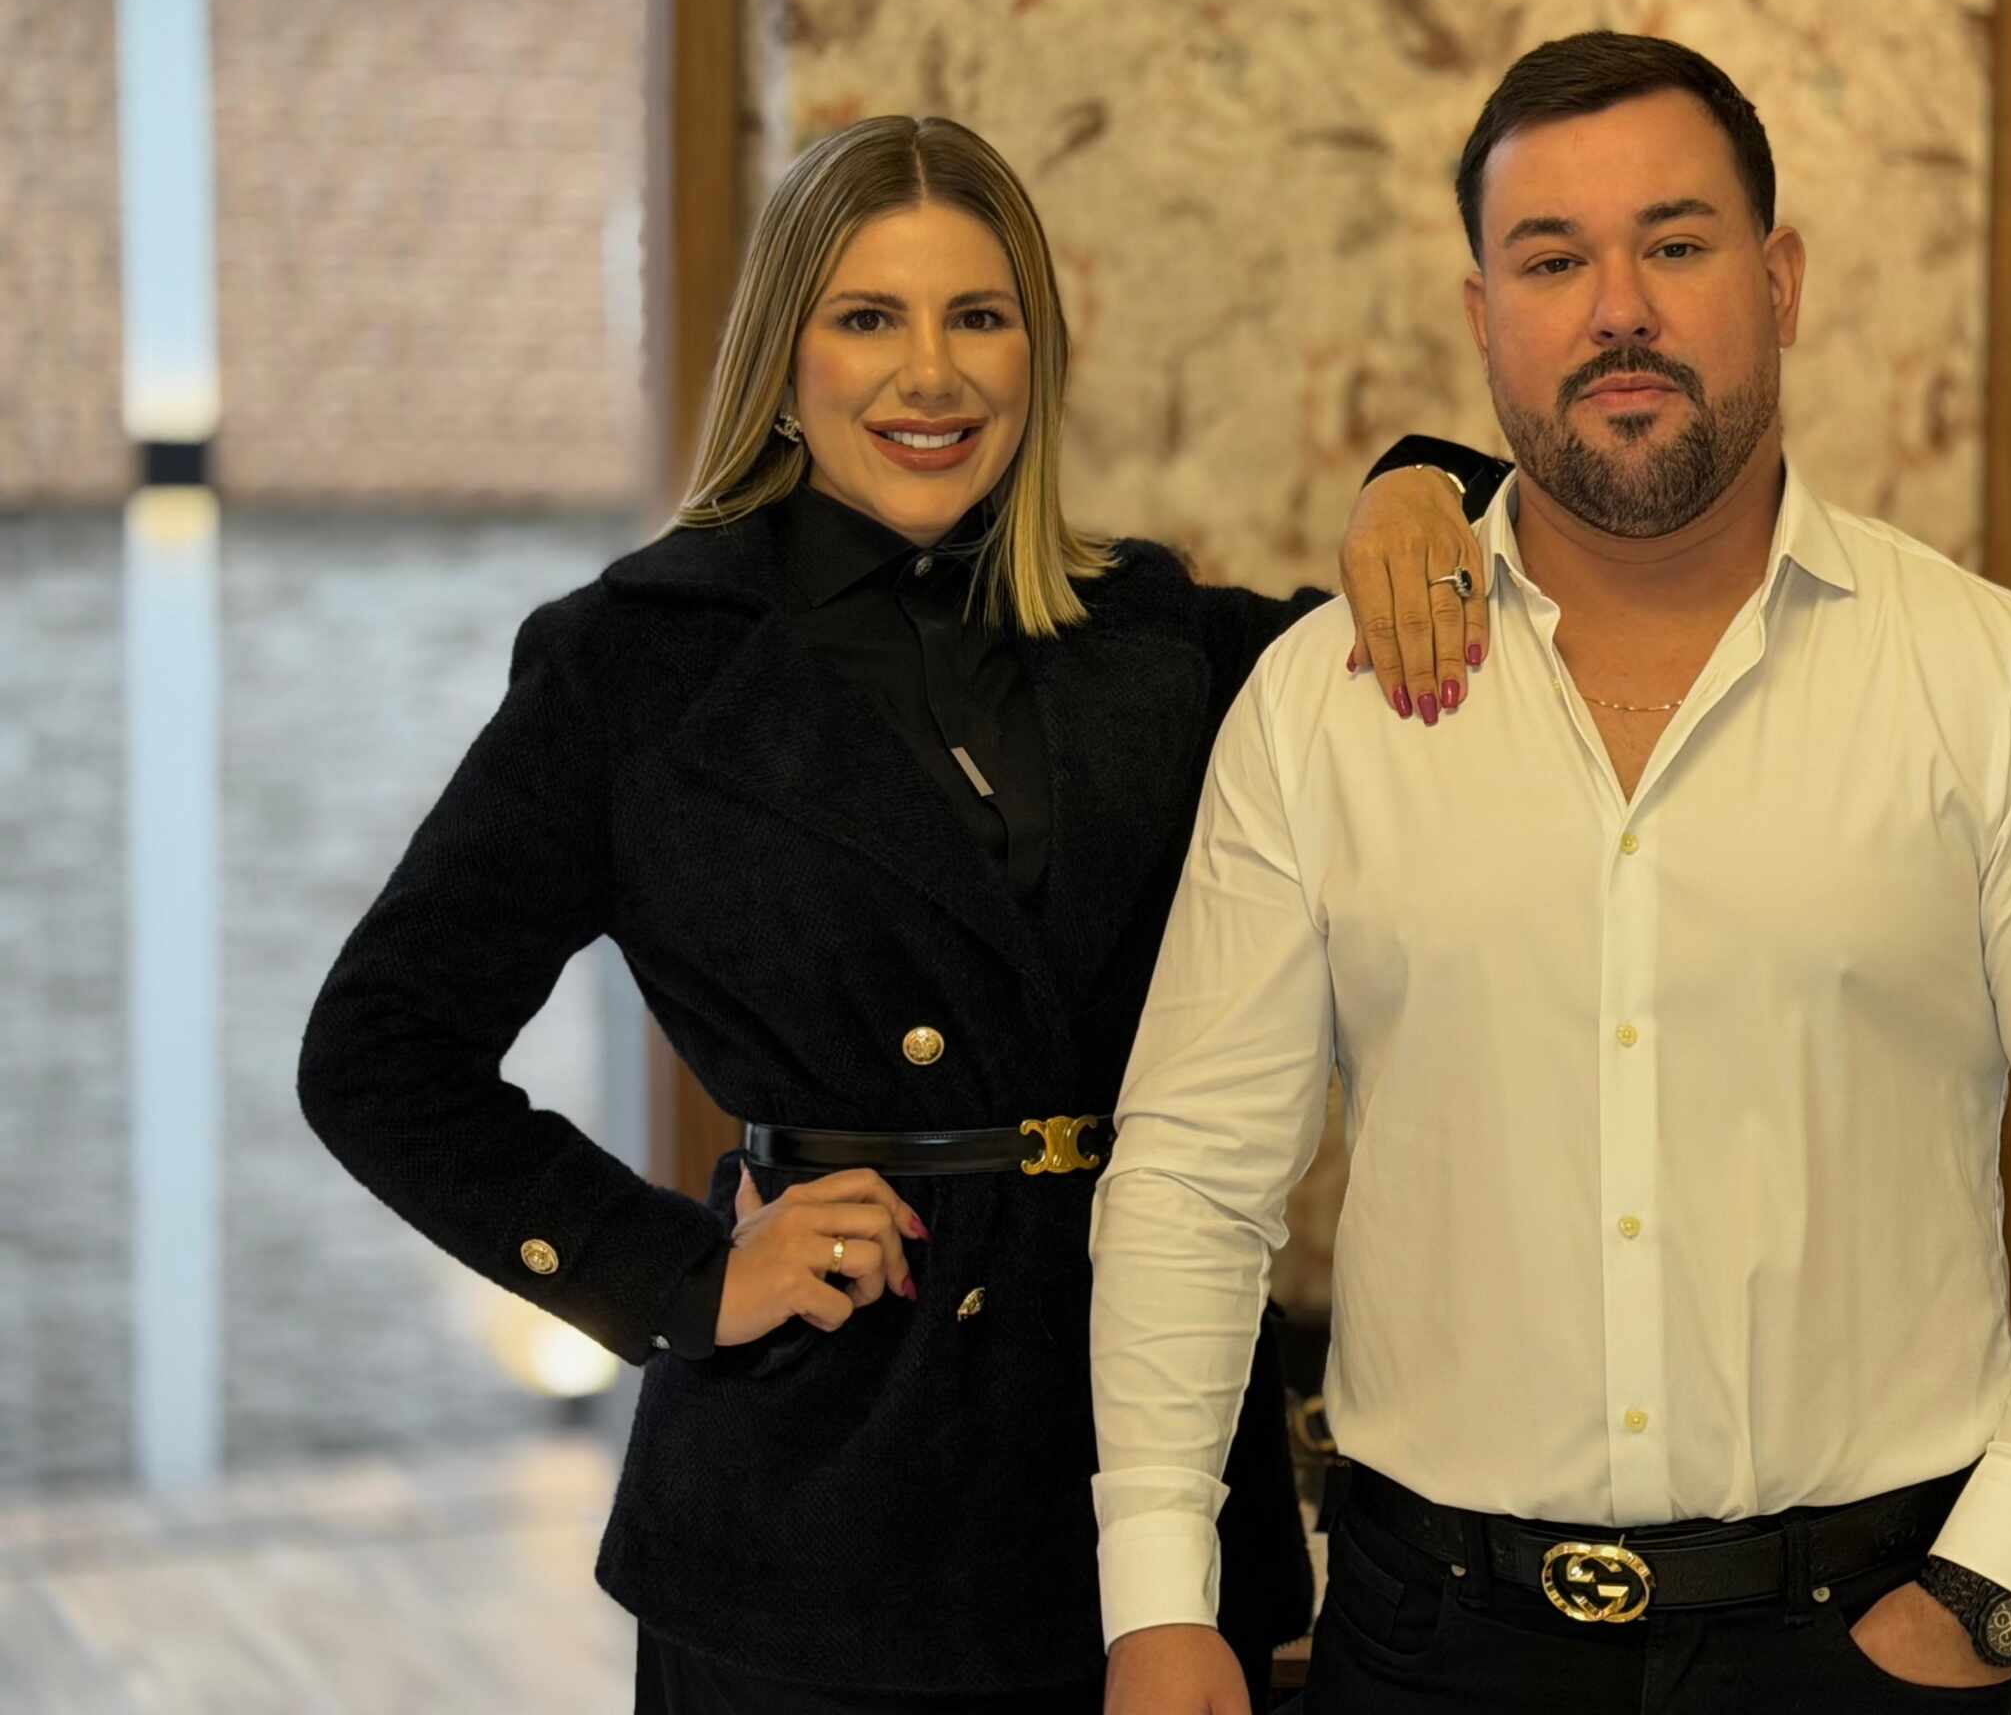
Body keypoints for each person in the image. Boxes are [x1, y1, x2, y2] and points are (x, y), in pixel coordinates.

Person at [1089, 31, 2011, 1714]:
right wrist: (1157, 1594)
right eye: (1552, 260)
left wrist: (1992, 1590)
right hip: (1428, 1651)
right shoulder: (1318, 706)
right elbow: (1196, 1178)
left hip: (1862, 1648)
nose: (1618, 309)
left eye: (1676, 244)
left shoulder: (2001, 688)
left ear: (1778, 283)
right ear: (1483, 314)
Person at [298, 113, 1510, 1713]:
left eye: (977, 318)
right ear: (782, 358)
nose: (928, 376)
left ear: (1037, 355)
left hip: (1140, 1493)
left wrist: (1422, 483)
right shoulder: (636, 664)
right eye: (868, 318)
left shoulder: (1157, 636)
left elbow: (1475, 599)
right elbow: (378, 1052)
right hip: (816, 1511)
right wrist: (677, 1275)